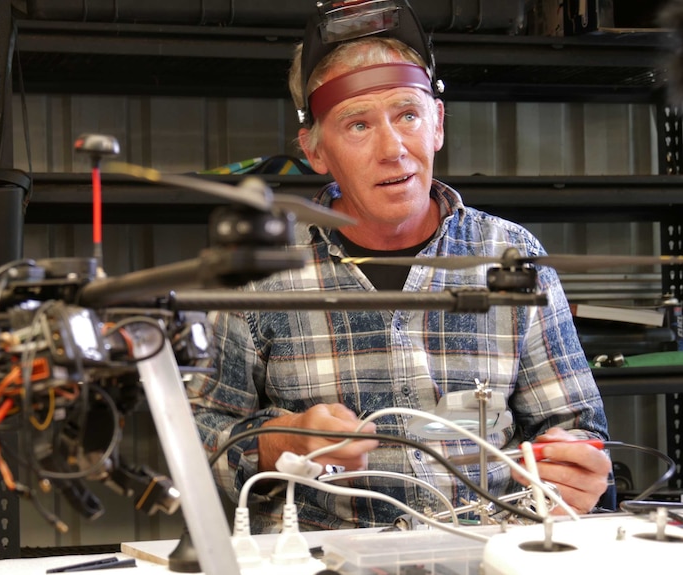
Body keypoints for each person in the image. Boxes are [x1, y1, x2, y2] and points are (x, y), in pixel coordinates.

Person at [187, 0, 611, 533]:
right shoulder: (259, 273)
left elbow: (575, 428)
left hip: (490, 557)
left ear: (436, 125)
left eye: (408, 114)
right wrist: (280, 441)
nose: (394, 149)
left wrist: (577, 467)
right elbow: (198, 435)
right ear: (315, 151)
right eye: (358, 124)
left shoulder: (511, 255)